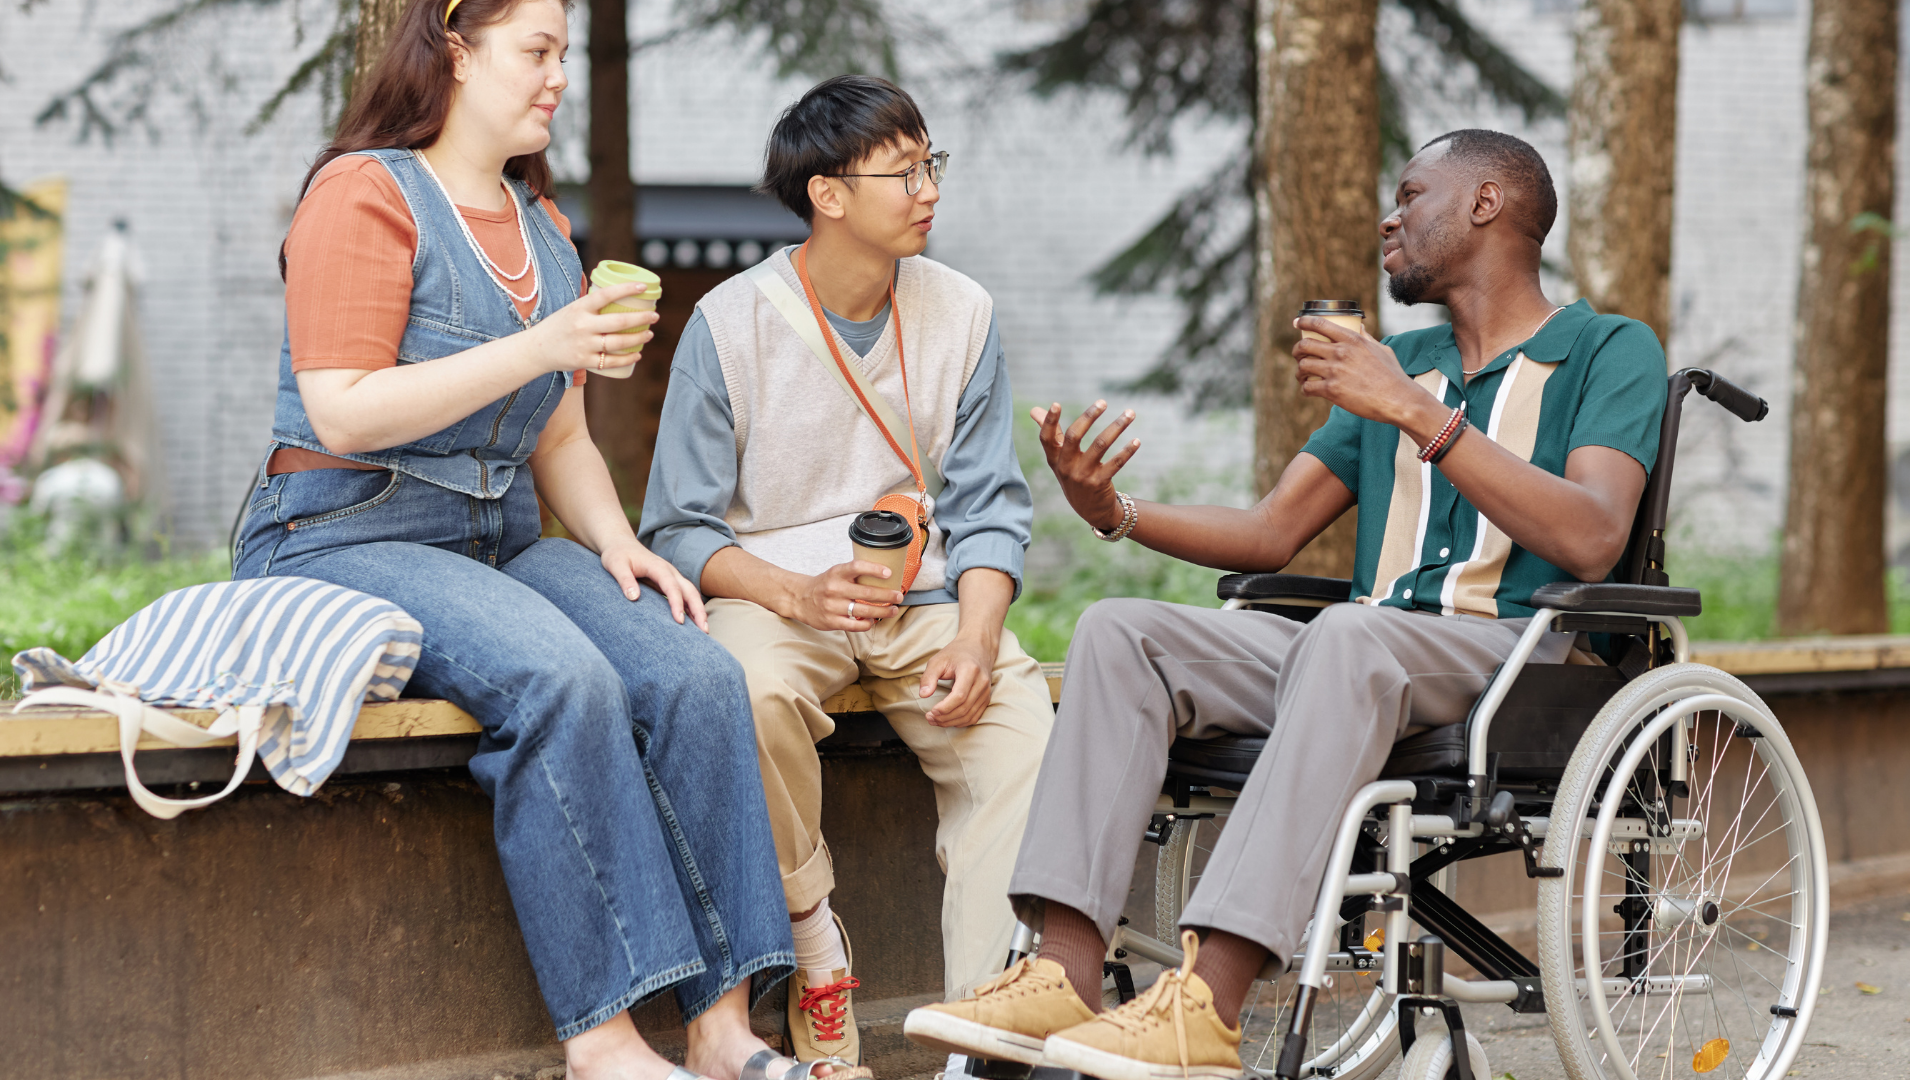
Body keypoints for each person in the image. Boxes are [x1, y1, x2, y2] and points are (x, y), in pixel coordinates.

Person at [904, 130, 1669, 1080]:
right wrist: (1117, 512)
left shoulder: (1606, 349)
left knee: (1349, 635)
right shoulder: (1402, 361)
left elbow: (1595, 535)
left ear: (1486, 205)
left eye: (1412, 193)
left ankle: (1206, 1002)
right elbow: (1271, 533)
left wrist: (1418, 415)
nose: (1390, 218)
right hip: (1362, 657)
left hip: (1519, 660)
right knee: (1122, 631)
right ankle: (1062, 968)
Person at [232, 3, 855, 1079]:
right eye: (536, 50)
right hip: (342, 528)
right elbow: (342, 409)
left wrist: (621, 545)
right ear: (456, 51)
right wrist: (543, 344)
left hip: (498, 537)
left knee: (693, 673)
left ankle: (721, 1034)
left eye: (565, 52)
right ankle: (604, 1041)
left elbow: (558, 430)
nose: (558, 74)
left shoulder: (543, 227)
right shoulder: (364, 192)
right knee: (563, 680)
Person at [637, 76, 1053, 1069]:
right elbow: (679, 528)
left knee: (1023, 736)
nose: (927, 190)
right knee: (742, 688)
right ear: (828, 195)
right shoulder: (732, 323)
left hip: (927, 604)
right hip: (776, 599)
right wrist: (794, 595)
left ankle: (979, 1034)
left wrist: (979, 631)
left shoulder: (963, 310)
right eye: (901, 171)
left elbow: (991, 502)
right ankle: (815, 944)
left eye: (930, 165)